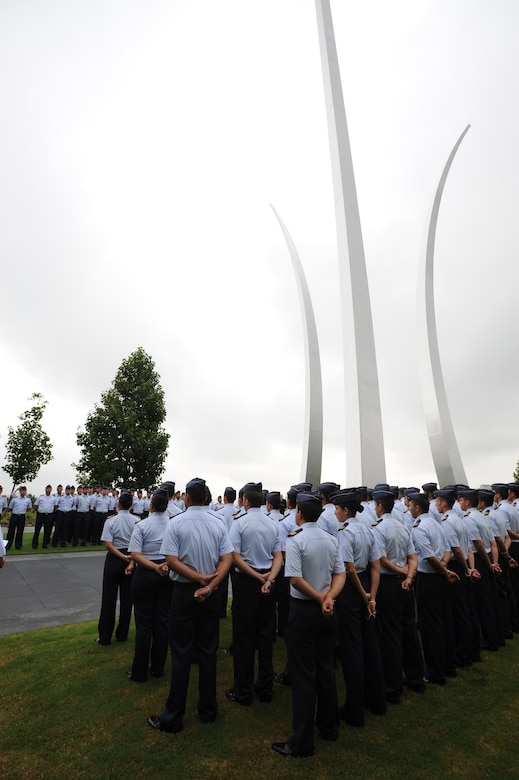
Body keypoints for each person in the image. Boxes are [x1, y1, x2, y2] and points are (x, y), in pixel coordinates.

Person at [148, 478, 233, 733]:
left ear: (187, 497)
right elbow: (226, 559)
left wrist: (199, 581)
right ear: (206, 497)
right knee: (208, 651)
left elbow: (171, 561)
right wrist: (209, 584)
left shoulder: (177, 523)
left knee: (182, 653)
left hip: (186, 592)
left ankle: (173, 717)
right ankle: (208, 710)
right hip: (210, 591)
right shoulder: (218, 523)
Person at [272, 492, 345, 758]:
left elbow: (294, 579)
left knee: (304, 675)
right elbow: (340, 574)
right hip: (326, 609)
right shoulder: (330, 539)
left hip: (304, 610)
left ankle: (301, 742)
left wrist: (319, 599)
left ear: (299, 514)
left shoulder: (296, 540)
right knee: (325, 668)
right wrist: (328, 598)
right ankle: (329, 726)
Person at [333, 490, 386, 726]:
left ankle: (354, 711)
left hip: (351, 589)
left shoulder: (345, 532)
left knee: (352, 649)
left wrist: (364, 596)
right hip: (366, 586)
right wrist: (372, 596)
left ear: (345, 511)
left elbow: (349, 568)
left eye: (337, 509)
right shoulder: (367, 529)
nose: (334, 512)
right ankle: (376, 701)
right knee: (371, 646)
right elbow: (375, 566)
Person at [226, 483, 282, 705]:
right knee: (266, 636)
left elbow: (235, 557)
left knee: (244, 638)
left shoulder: (240, 523)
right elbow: (278, 556)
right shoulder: (271, 524)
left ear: (246, 502)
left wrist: (258, 577)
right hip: (268, 580)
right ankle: (265, 688)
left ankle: (243, 691)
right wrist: (269, 578)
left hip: (249, 581)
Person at [370, 488, 424, 703]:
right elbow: (412, 557)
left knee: (391, 635)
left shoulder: (379, 528)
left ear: (380, 507)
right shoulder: (403, 527)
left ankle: (392, 687)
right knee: (409, 631)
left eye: (376, 505)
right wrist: (409, 577)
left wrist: (404, 574)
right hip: (405, 584)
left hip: (391, 584)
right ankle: (415, 678)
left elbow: (382, 560)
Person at [409, 493, 458, 684]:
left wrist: (444, 571)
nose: (409, 509)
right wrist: (445, 568)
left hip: (429, 579)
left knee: (431, 627)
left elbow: (429, 556)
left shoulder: (419, 527)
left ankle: (436, 672)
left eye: (411, 506)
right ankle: (449, 664)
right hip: (441, 577)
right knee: (445, 622)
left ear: (418, 508)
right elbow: (447, 550)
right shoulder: (437, 523)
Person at [127, 488, 172, 682]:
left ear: (151, 505)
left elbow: (135, 554)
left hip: (146, 572)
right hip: (167, 572)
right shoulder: (173, 524)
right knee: (162, 622)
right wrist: (164, 566)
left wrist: (154, 567)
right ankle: (158, 667)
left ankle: (139, 672)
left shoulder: (142, 525)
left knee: (144, 625)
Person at [96, 491, 137, 645]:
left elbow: (108, 544)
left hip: (115, 558)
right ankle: (122, 634)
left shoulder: (111, 521)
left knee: (109, 599)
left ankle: (105, 636)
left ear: (118, 504)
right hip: (130, 558)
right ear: (131, 505)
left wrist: (121, 557)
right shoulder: (137, 521)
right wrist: (129, 559)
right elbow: (137, 545)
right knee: (127, 599)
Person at [5, 486, 32, 551]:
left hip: (22, 516)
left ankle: (18, 546)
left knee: (20, 532)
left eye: (24, 491)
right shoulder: (15, 499)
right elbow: (10, 508)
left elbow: (29, 508)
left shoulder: (28, 500)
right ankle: (8, 546)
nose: (23, 492)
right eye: (22, 491)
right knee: (11, 531)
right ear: (20, 491)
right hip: (14, 516)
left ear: (26, 491)